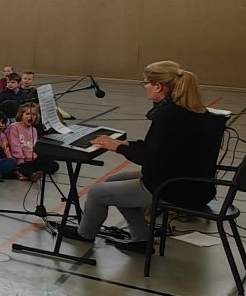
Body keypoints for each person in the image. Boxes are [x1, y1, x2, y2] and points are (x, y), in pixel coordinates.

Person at [59, 61, 223, 255]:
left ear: (158, 86)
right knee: (113, 181)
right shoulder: (191, 110)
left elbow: (151, 159)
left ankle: (85, 234)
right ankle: (141, 238)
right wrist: (127, 144)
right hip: (194, 182)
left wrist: (117, 147)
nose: (145, 87)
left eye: (146, 83)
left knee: (96, 193)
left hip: (175, 187)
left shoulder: (169, 114)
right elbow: (160, 148)